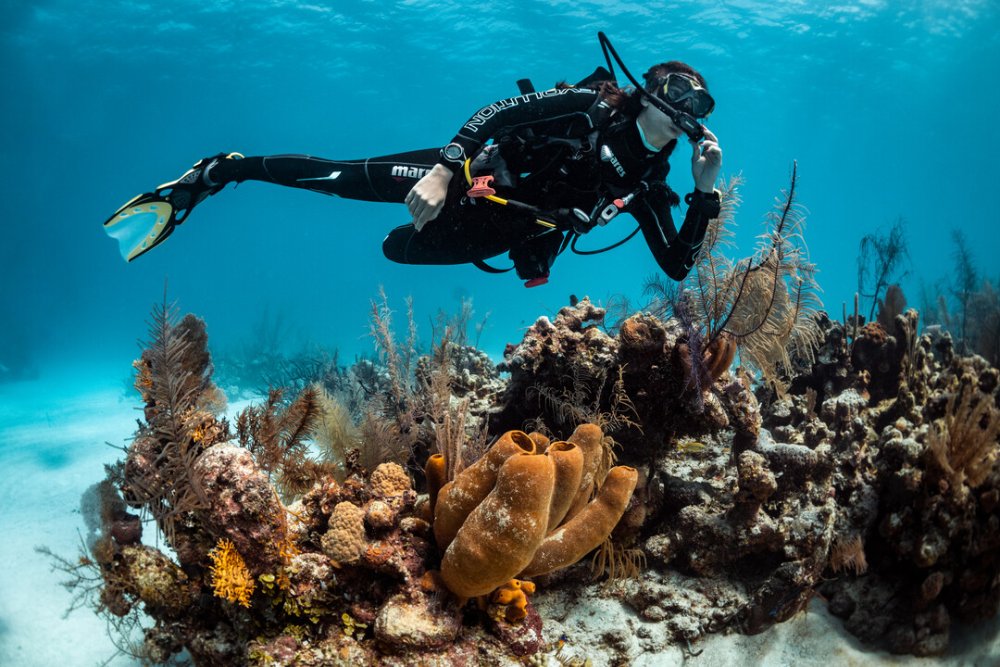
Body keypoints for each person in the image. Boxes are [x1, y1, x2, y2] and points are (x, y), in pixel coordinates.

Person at [104, 58, 722, 288]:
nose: (684, 103)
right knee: (342, 178)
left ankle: (230, 171)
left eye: (697, 102)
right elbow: (495, 112)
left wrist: (703, 194)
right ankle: (224, 171)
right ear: (646, 89)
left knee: (395, 250)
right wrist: (446, 170)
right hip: (471, 175)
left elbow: (677, 265)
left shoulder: (646, 185)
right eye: (674, 87)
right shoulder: (590, 108)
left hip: (505, 229)